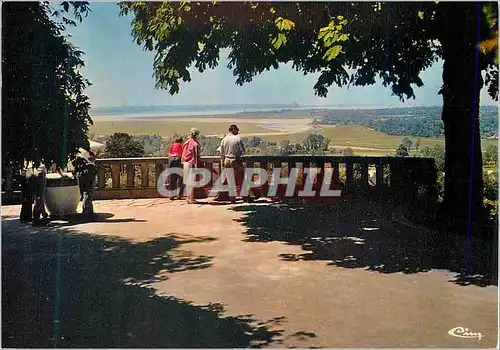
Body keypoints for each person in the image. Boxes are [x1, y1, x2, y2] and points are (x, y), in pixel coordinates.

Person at [219, 124, 249, 203]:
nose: (238, 132)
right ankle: (244, 196)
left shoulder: (224, 139)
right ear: (233, 130)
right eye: (237, 130)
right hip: (235, 159)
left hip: (226, 160)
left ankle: (232, 198)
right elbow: (243, 150)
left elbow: (221, 153)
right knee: (241, 178)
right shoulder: (237, 139)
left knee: (230, 179)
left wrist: (222, 161)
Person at [73, 149, 97, 220]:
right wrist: (97, 154)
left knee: (84, 193)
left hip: (80, 174)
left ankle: (90, 212)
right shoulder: (87, 151)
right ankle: (86, 214)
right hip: (89, 172)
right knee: (88, 193)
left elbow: (74, 165)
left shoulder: (77, 154)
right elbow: (91, 159)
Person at [181, 128, 201, 204]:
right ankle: (191, 198)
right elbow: (196, 156)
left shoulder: (186, 142)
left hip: (185, 163)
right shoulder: (194, 143)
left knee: (187, 182)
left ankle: (188, 197)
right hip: (191, 163)